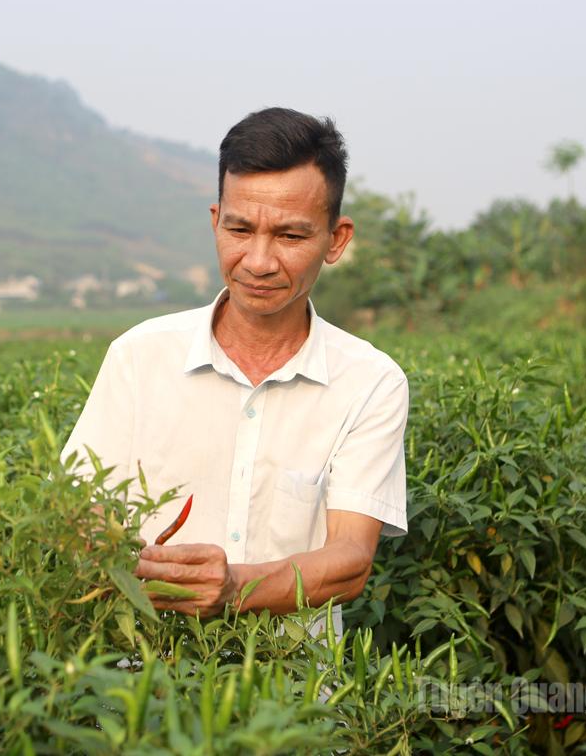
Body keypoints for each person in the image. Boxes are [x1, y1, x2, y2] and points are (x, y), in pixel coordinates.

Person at [60, 107, 408, 638]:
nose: (259, 261)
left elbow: (349, 560)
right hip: (144, 681)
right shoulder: (139, 356)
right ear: (215, 221)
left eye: (291, 237)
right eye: (240, 229)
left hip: (296, 696)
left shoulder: (371, 382)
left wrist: (234, 589)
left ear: (336, 240)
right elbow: (76, 512)